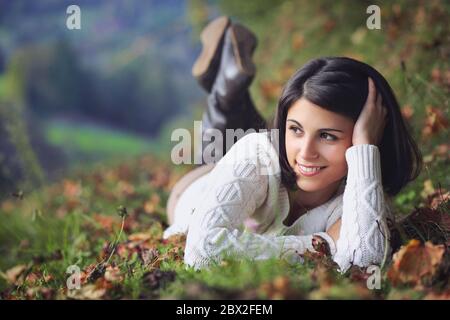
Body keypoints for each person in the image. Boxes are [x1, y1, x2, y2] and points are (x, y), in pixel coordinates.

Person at [164, 17, 422, 272]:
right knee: (239, 143)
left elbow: (365, 263)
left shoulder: (363, 195)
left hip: (260, 168)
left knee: (250, 138)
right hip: (203, 183)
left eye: (327, 136)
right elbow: (202, 252)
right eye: (295, 128)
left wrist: (365, 148)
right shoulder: (256, 153)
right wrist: (320, 244)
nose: (307, 152)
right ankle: (226, 89)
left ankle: (230, 83)